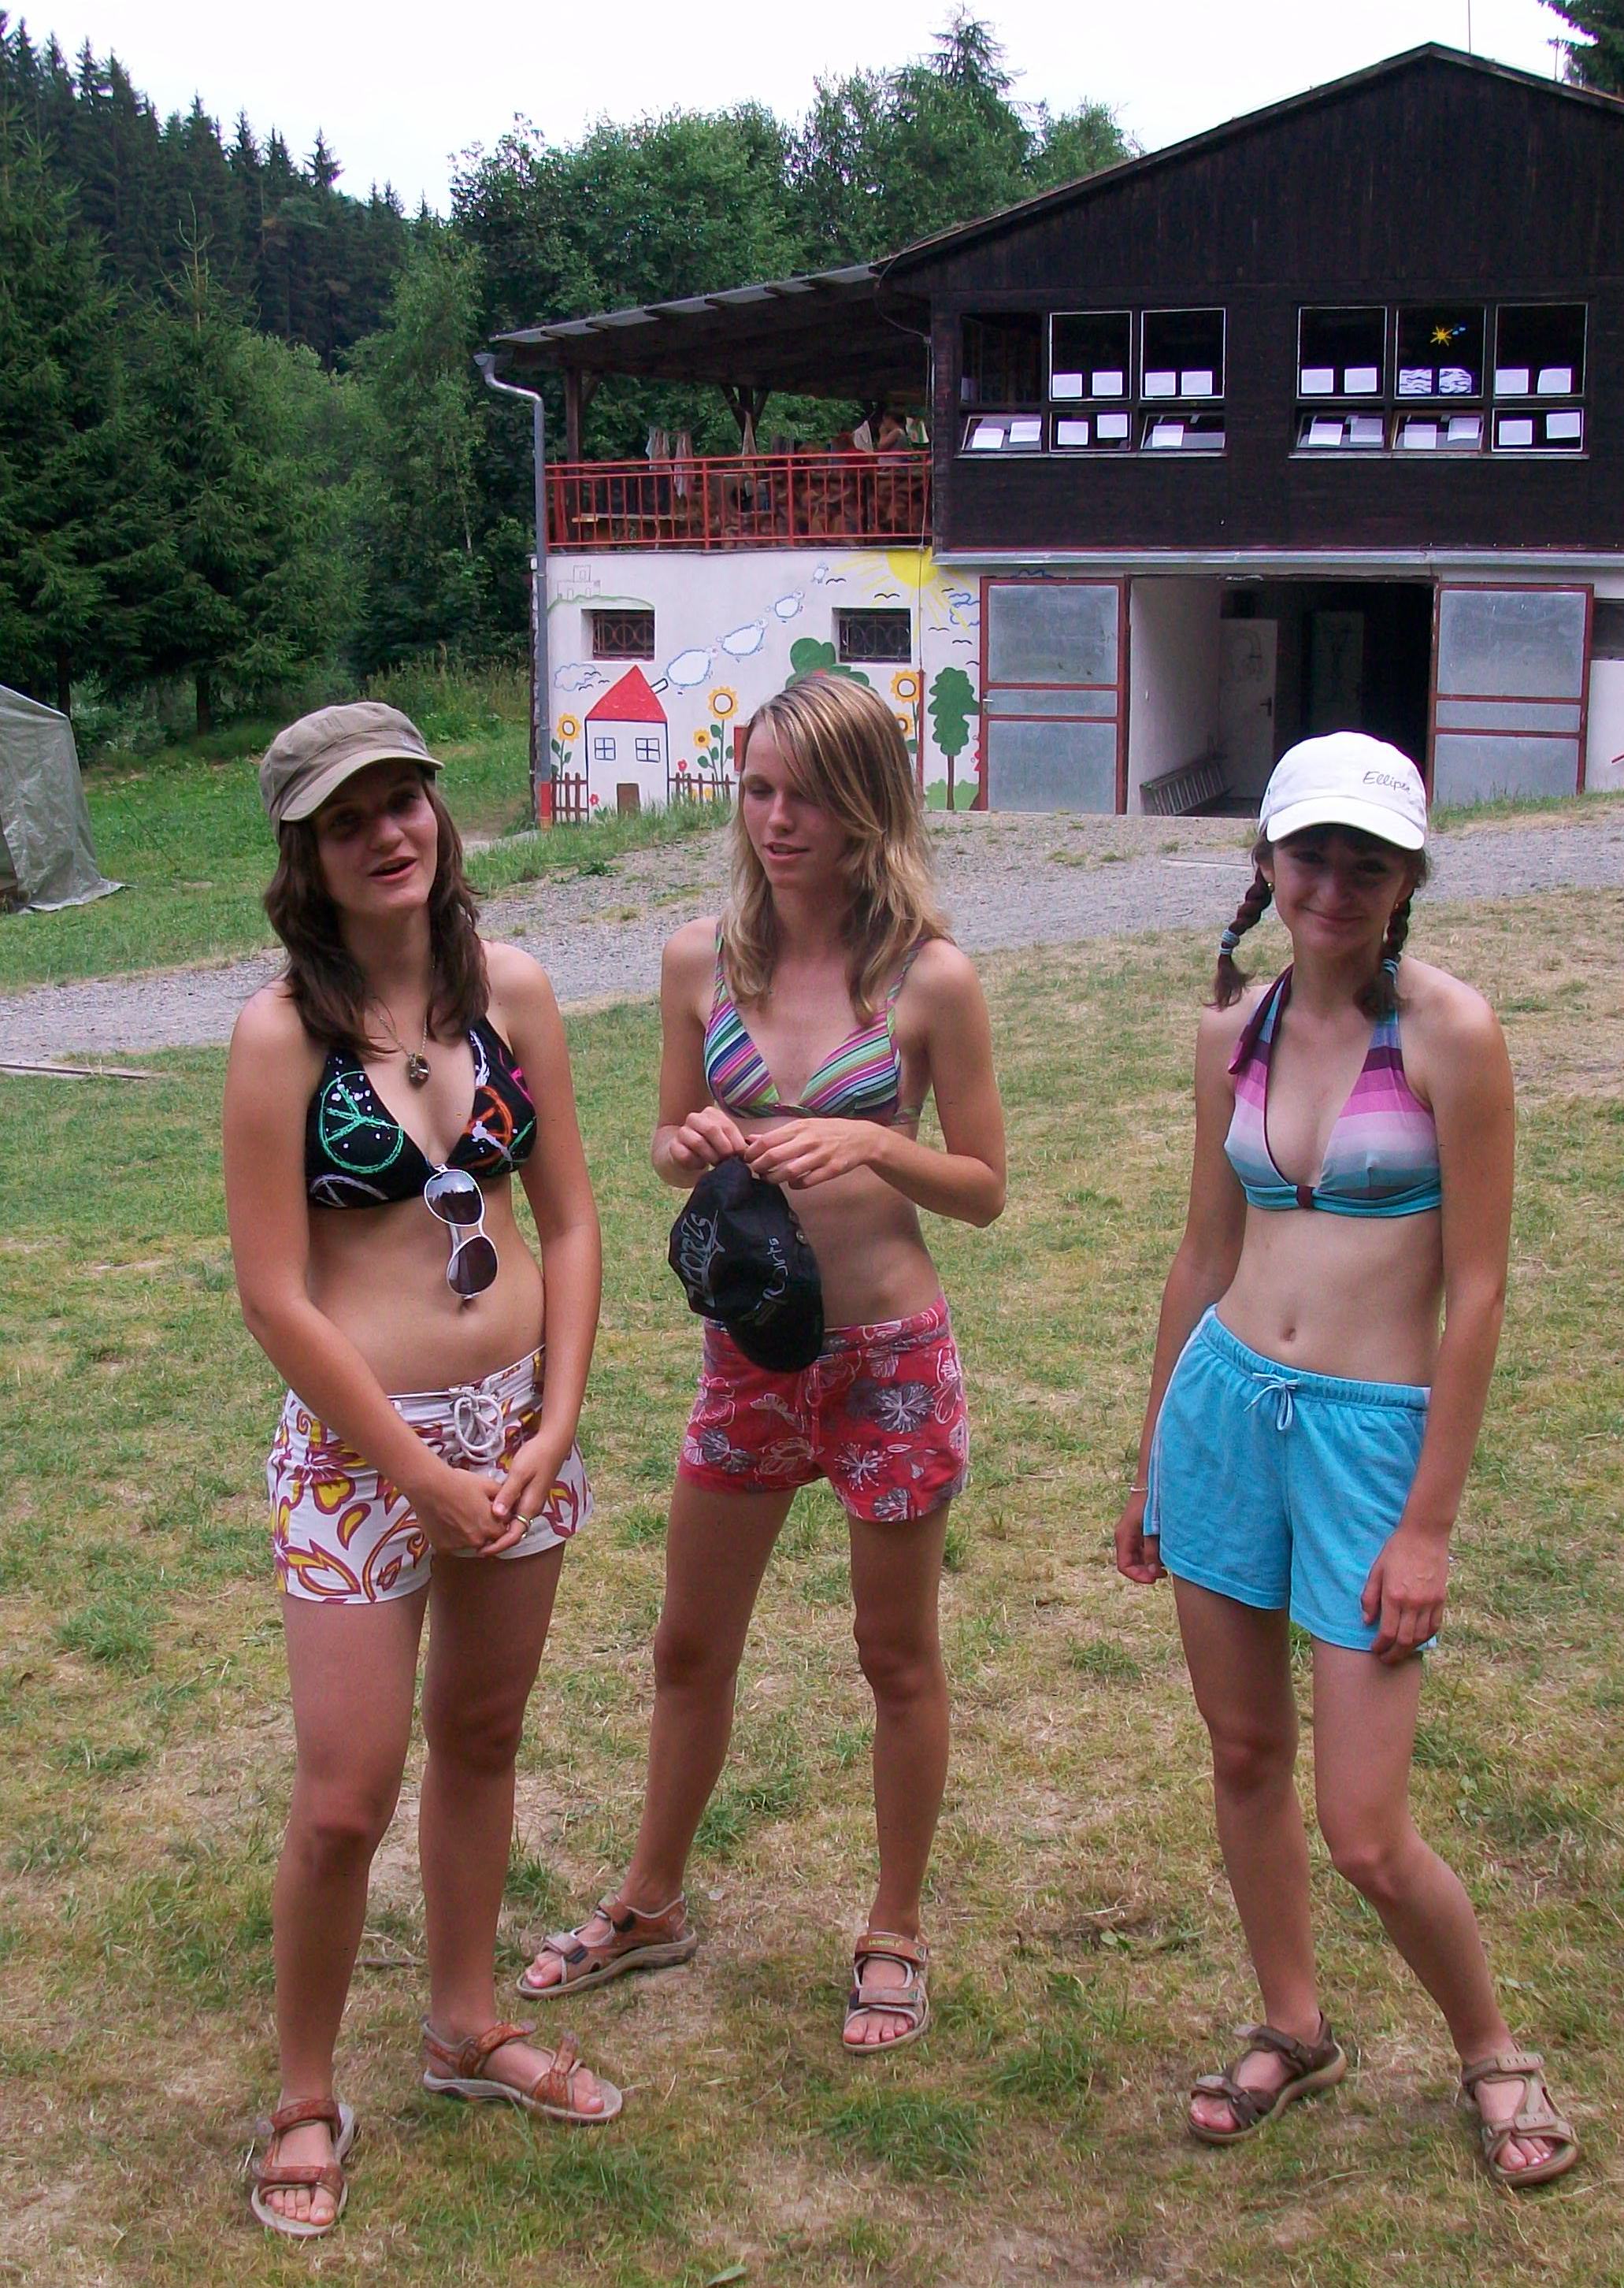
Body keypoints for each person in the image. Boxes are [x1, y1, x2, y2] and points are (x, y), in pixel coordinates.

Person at [1114, 733, 1578, 2189]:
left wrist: (1426, 1524)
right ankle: (1292, 2024)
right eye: (1308, 853)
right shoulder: (1229, 1034)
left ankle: (1491, 2049)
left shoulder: (1452, 1033)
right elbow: (1204, 1249)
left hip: (1369, 1441)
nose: (1332, 883)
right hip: (1223, 1413)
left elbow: (1478, 1293)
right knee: (1244, 1752)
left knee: (1366, 1829)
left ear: (1405, 878)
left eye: (1364, 861)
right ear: (1265, 863)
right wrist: (1150, 1455)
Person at [519, 673, 1007, 2051]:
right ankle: (650, 1900)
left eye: (807, 794)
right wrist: (686, 1144)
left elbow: (982, 1187)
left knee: (893, 1653)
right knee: (688, 1644)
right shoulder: (700, 962)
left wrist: (872, 1140)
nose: (777, 820)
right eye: (757, 789)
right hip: (749, 1351)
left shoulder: (928, 978)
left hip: (887, 1355)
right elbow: (668, 1139)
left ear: (867, 806)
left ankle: (894, 1928)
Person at [224, 703, 618, 2242]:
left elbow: (568, 1219)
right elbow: (276, 1295)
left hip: (515, 1426)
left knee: (482, 1732)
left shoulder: (509, 989)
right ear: (306, 856)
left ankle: (464, 2021)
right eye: (348, 818)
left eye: (404, 801)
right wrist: (414, 1471)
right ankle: (302, 2094)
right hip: (357, 1449)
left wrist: (552, 1420)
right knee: (345, 1795)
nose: (386, 833)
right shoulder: (281, 1034)